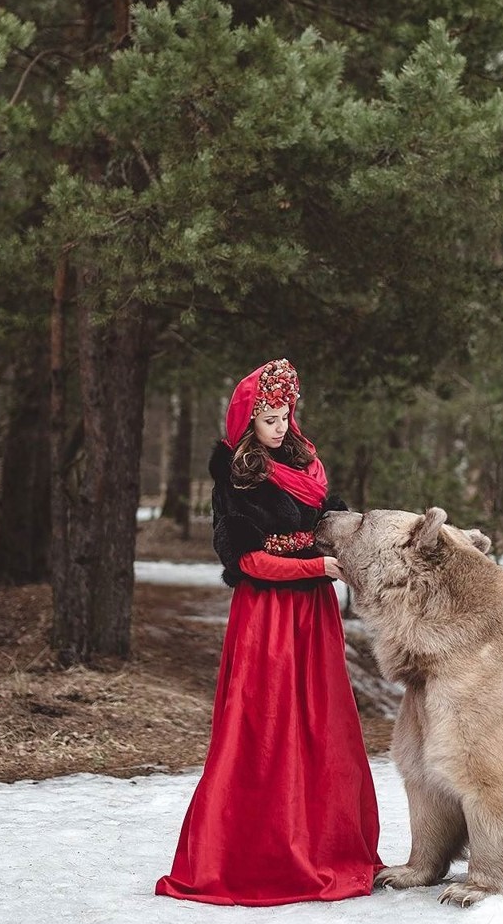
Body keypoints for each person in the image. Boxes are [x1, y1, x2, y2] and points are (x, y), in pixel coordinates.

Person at [155, 358, 383, 907]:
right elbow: (249, 562)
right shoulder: (239, 479)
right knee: (265, 732)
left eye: (284, 416)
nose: (280, 428)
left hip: (313, 619)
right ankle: (255, 855)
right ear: (246, 422)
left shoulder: (308, 466)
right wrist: (315, 567)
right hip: (269, 620)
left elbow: (332, 522)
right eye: (268, 420)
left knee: (321, 729)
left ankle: (323, 847)